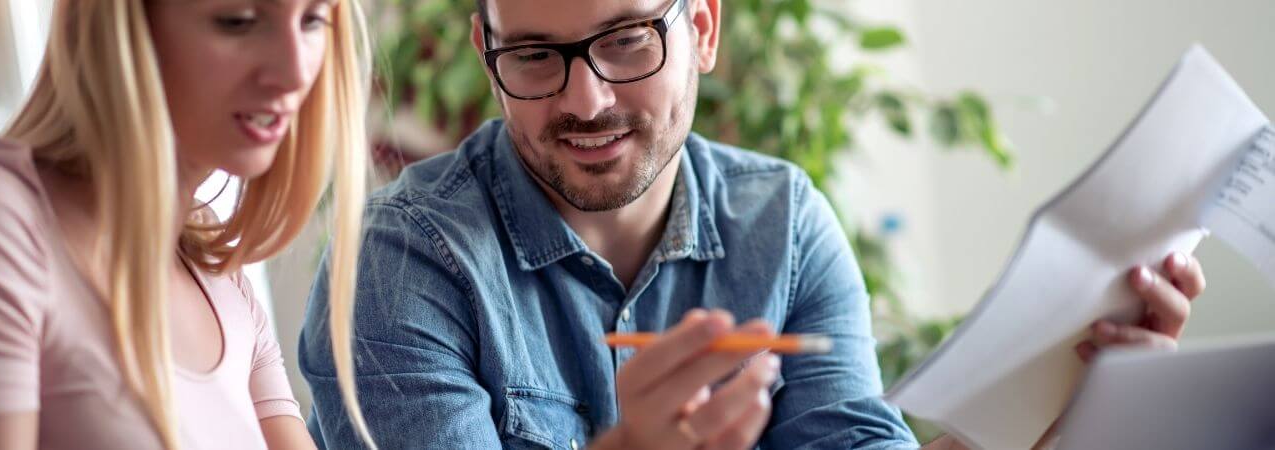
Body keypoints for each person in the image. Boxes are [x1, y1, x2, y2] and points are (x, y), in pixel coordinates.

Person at [299, 0, 1207, 448]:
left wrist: (1070, 417)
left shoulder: (783, 219)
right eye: (536, 55)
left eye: (626, 41)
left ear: (702, 29)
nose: (586, 99)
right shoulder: (401, 258)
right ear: (488, 56)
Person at [0, 0, 376, 448]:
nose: (296, 72)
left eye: (313, 19)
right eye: (237, 20)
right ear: (124, 22)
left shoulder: (212, 266)